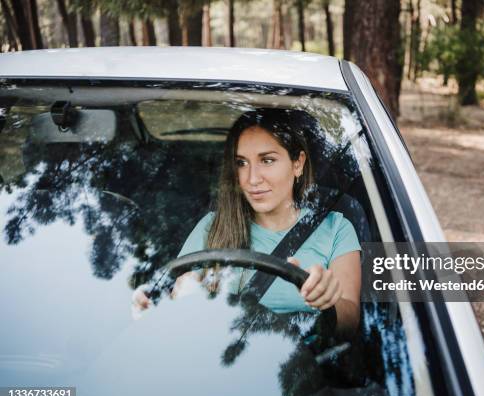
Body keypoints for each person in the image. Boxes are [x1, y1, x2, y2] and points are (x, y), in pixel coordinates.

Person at [133, 108, 361, 332]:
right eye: (241, 163)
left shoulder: (336, 228)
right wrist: (171, 300)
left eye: (267, 160)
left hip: (303, 364)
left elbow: (351, 318)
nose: (252, 179)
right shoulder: (213, 227)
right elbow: (179, 297)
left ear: (297, 163)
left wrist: (327, 299)